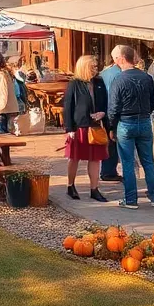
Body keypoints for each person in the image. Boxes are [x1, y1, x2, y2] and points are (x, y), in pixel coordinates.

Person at [106, 45, 154, 209]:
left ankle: (131, 200)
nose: (114, 62)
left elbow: (113, 108)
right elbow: (153, 102)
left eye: (115, 59)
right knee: (148, 161)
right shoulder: (146, 77)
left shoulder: (119, 80)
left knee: (127, 163)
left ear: (121, 58)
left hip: (125, 123)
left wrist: (111, 128)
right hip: (143, 121)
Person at [62, 55, 109, 202]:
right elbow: (67, 107)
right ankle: (70, 185)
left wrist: (103, 113)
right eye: (93, 67)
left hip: (95, 126)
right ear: (84, 67)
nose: (96, 69)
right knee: (74, 157)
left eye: (96, 66)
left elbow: (105, 103)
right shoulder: (74, 84)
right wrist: (69, 128)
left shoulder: (99, 82)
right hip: (79, 127)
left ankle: (94, 189)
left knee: (95, 159)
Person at [98, 51, 125, 183]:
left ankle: (108, 170)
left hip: (105, 111)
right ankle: (109, 171)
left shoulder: (104, 73)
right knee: (115, 142)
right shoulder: (119, 74)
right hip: (115, 112)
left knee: (110, 142)